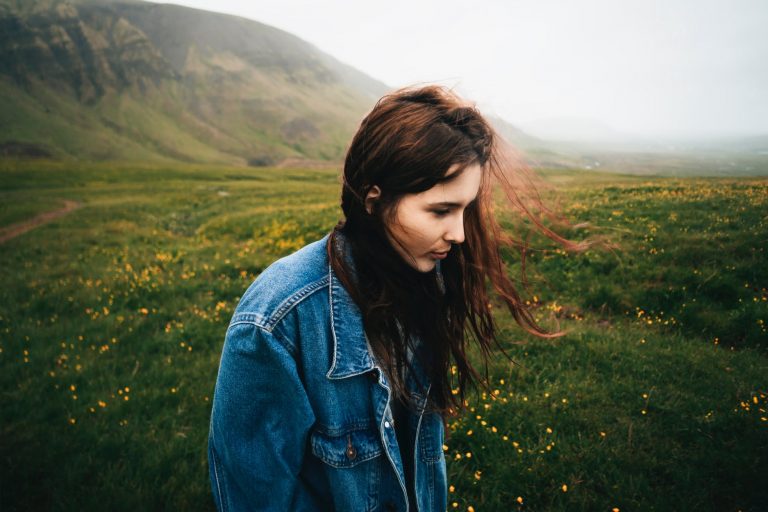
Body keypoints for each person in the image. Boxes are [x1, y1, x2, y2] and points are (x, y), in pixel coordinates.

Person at [207, 85, 582, 511]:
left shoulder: (426, 282)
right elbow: (253, 499)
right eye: (440, 211)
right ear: (374, 201)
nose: (459, 235)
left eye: (465, 210)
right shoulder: (277, 321)